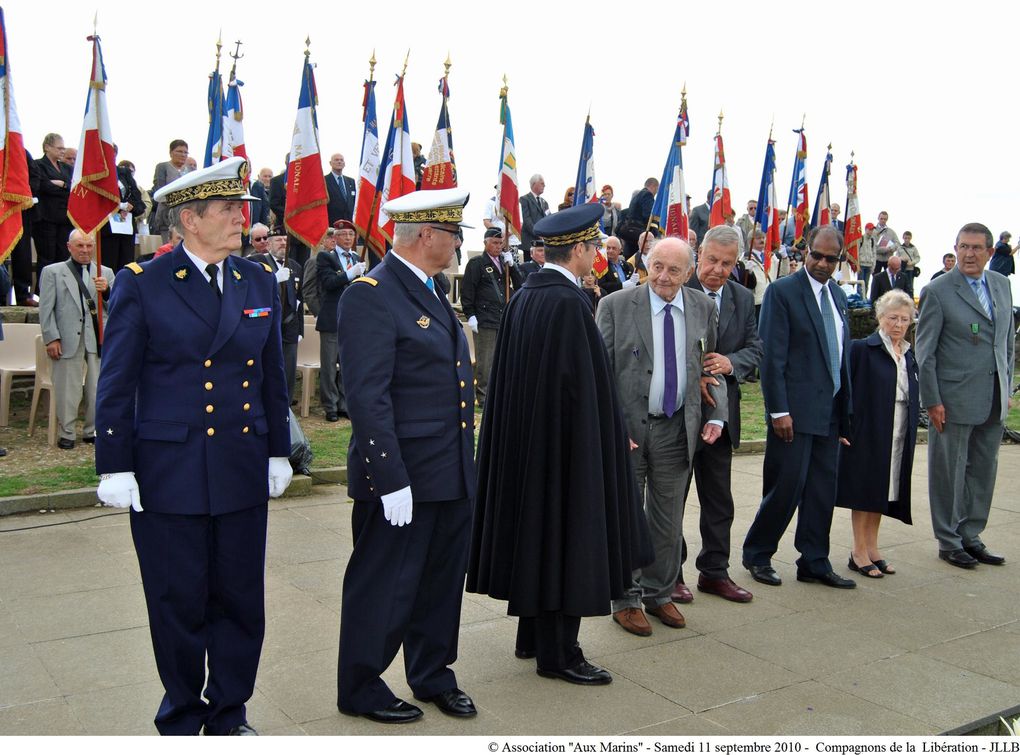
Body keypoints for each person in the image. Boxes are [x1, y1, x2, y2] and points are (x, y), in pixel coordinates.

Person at [94, 156, 293, 735]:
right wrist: (116, 464)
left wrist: (277, 448)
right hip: (167, 472)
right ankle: (182, 716)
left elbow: (271, 374)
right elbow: (117, 380)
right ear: (189, 220)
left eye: (242, 208)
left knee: (239, 604)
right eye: (228, 209)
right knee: (177, 606)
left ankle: (230, 716)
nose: (242, 218)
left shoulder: (257, 280)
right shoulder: (144, 283)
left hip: (238, 466)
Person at [468, 202, 651, 686]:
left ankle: (533, 636)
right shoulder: (568, 303)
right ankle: (560, 653)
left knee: (537, 538)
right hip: (565, 449)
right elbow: (585, 391)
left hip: (532, 445)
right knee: (564, 541)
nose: (597, 257)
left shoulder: (528, 295)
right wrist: (605, 441)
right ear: (583, 250)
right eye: (595, 248)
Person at [336, 188, 477, 723]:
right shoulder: (372, 293)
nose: (457, 244)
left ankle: (433, 673)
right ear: (426, 236)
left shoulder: (433, 290)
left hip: (448, 470)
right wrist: (389, 477)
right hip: (402, 478)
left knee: (440, 583)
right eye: (453, 234)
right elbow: (367, 397)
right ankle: (361, 685)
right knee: (384, 586)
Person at [599, 236, 727, 636]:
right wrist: (612, 427)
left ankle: (658, 593)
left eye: (674, 270)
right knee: (627, 516)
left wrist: (717, 414)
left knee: (668, 521)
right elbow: (598, 373)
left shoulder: (704, 307)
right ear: (645, 265)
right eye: (657, 266)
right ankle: (626, 598)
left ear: (689, 273)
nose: (663, 277)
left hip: (677, 428)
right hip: (629, 431)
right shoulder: (615, 306)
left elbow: (708, 368)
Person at [742, 225, 855, 589]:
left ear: (840, 259)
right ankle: (758, 554)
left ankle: (814, 560)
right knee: (786, 487)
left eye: (830, 258)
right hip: (793, 412)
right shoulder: (783, 292)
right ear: (805, 251)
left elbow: (839, 354)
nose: (822, 263)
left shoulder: (838, 296)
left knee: (822, 490)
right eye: (816, 255)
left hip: (831, 412)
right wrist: (778, 411)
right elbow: (772, 357)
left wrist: (847, 412)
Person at [916, 222, 1015, 569]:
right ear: (955, 249)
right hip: (952, 400)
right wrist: (932, 401)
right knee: (949, 472)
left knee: (983, 470)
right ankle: (949, 540)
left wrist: (1006, 388)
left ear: (990, 252)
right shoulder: (938, 291)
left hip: (992, 398)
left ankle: (971, 535)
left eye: (976, 248)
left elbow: (1006, 342)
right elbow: (924, 353)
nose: (969, 254)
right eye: (963, 247)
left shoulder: (1002, 285)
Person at [679, 226, 762, 603]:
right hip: (678, 415)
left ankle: (714, 572)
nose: (717, 269)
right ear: (699, 254)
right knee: (670, 499)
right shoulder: (676, 288)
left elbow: (756, 349)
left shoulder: (742, 298)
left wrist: (731, 362)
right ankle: (669, 572)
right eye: (712, 260)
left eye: (727, 263)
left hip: (721, 419)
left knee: (718, 501)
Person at [836, 290, 919, 578]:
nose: (898, 324)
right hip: (867, 429)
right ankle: (858, 552)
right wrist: (843, 425)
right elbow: (845, 388)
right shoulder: (862, 348)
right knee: (864, 490)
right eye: (892, 318)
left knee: (885, 490)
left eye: (904, 319)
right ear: (880, 318)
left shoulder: (908, 353)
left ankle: (873, 548)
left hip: (897, 429)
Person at [38, 230, 113, 449]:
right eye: (80, 246)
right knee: (67, 389)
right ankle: (67, 431)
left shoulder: (105, 272)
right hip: (67, 337)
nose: (85, 250)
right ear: (69, 247)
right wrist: (51, 337)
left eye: (89, 246)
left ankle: (92, 430)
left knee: (97, 387)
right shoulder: (53, 272)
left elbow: (119, 306)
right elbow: (46, 309)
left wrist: (107, 291)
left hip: (97, 337)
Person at [460, 227, 521, 409]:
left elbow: (519, 284)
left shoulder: (504, 263)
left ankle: (499, 393)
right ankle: (484, 396)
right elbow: (467, 290)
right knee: (485, 361)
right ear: (485, 242)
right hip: (485, 317)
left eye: (500, 242)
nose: (498, 246)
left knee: (502, 358)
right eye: (494, 242)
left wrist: (513, 266)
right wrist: (470, 314)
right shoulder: (477, 263)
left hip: (503, 316)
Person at [317, 219, 364, 421]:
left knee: (348, 364)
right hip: (332, 317)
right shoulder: (325, 257)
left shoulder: (356, 257)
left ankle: (345, 404)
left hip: (352, 319)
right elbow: (328, 283)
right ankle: (330, 406)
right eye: (343, 234)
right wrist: (350, 274)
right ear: (334, 238)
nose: (347, 238)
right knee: (329, 366)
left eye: (351, 235)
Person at [253, 226, 304, 403]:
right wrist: (273, 279)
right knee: (268, 366)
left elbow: (299, 300)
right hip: (266, 324)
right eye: (278, 240)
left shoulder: (295, 266)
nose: (283, 243)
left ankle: (286, 404)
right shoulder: (257, 262)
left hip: (290, 325)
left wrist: (300, 330)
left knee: (288, 370)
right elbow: (252, 291)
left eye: (285, 240)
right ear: (268, 243)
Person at [32, 133, 74, 288]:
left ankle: (61, 290)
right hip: (46, 218)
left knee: (63, 256)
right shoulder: (38, 165)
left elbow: (72, 187)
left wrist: (61, 185)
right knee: (47, 257)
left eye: (64, 148)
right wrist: (57, 186)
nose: (62, 151)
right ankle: (43, 291)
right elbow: (42, 186)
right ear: (47, 147)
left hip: (65, 218)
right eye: (59, 148)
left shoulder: (67, 168)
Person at [149, 139, 190, 241]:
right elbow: (160, 191)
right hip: (166, 216)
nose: (183, 155)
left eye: (185, 152)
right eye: (179, 151)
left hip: (185, 216)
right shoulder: (162, 167)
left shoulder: (190, 170)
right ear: (171, 153)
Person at [519, 174, 550, 258]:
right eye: (542, 183)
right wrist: (537, 233)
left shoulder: (544, 202)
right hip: (529, 240)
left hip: (543, 241)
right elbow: (527, 219)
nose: (544, 185)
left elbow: (548, 218)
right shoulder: (524, 199)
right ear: (534, 184)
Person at [325, 152, 356, 224]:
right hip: (333, 224)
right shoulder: (324, 181)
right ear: (330, 163)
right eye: (336, 160)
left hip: (349, 224)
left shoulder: (351, 181)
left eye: (341, 160)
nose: (339, 162)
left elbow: (353, 202)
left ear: (344, 164)